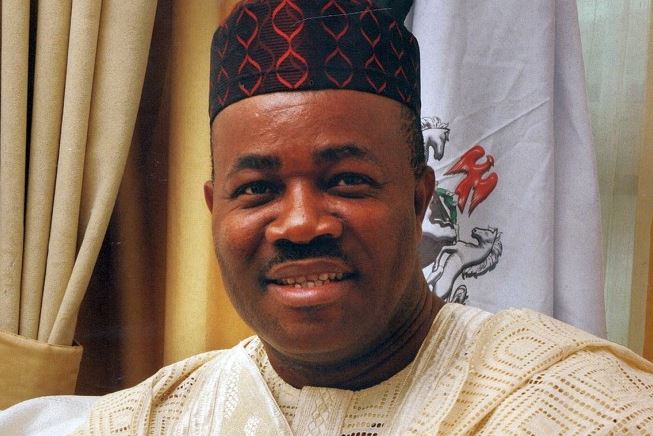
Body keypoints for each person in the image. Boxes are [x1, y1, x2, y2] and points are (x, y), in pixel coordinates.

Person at [2, 0, 653, 434]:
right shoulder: (153, 420)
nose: (300, 223)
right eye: (257, 189)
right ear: (213, 209)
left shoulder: (588, 408)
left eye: (346, 181)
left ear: (420, 198)